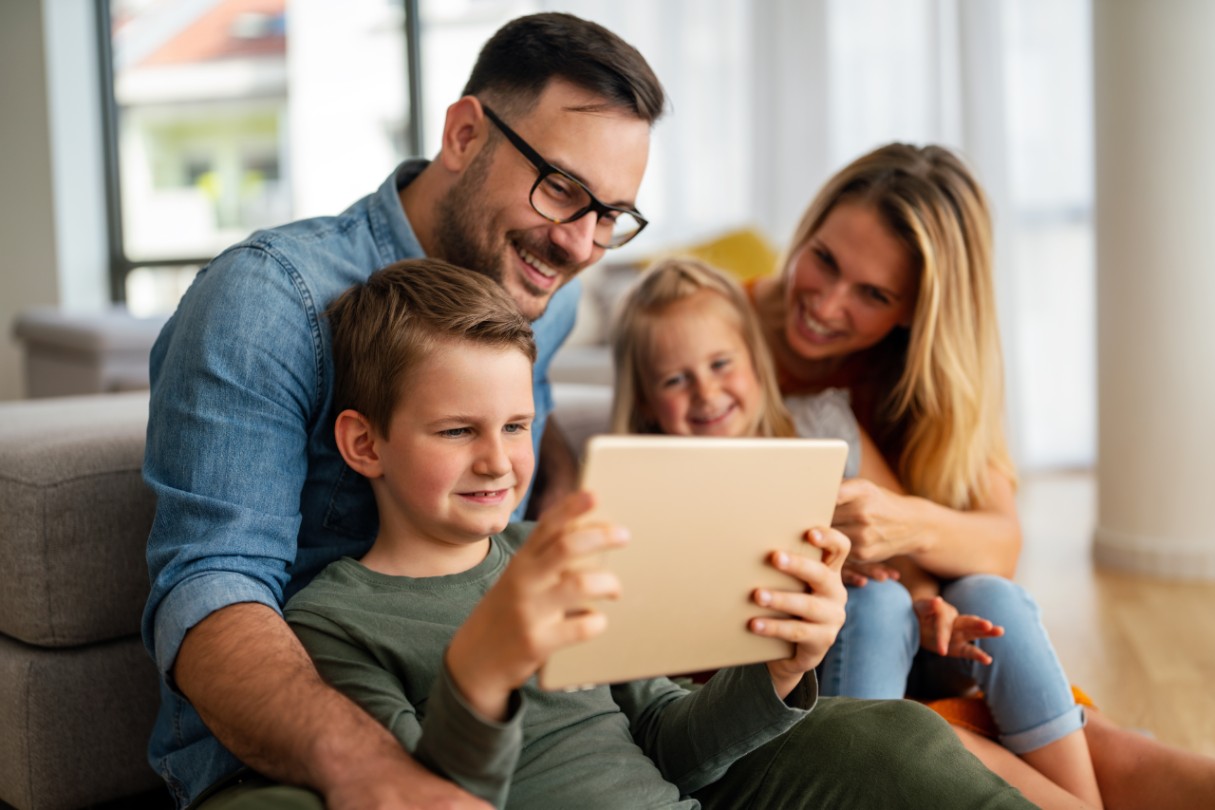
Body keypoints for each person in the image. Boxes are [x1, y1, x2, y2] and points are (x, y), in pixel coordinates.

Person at [141, 12, 665, 808]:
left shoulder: (541, 295)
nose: (579, 245)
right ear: (463, 134)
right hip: (304, 744)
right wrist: (370, 769)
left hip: (508, 718)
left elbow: (513, 446)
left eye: (611, 215)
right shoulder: (268, 301)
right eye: (561, 189)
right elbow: (213, 584)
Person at [282, 257, 1034, 810]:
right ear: (364, 444)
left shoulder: (555, 551)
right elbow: (418, 796)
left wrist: (775, 669)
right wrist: (481, 673)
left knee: (907, 740)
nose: (497, 460)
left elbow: (671, 739)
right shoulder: (332, 624)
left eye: (515, 426)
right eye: (456, 430)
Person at [747, 142, 1215, 809]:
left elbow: (1000, 546)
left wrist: (906, 526)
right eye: (823, 259)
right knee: (1065, 747)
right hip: (832, 646)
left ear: (915, 310)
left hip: (925, 635)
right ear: (807, 228)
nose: (826, 303)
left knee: (1009, 626)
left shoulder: (928, 378)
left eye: (873, 294)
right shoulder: (722, 337)